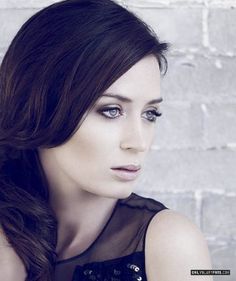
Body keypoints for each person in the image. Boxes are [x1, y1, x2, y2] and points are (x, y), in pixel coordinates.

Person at [0, 0, 213, 280]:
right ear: (41, 107)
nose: (138, 143)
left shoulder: (172, 244)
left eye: (150, 114)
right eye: (111, 110)